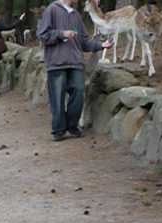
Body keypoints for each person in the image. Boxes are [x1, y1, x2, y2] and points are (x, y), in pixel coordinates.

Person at [37, 0, 112, 141]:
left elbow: (84, 41)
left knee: (78, 92)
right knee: (57, 99)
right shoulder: (51, 10)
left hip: (76, 63)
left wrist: (101, 45)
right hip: (56, 63)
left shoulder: (76, 15)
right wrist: (61, 34)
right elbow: (42, 35)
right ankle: (58, 130)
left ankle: (72, 126)